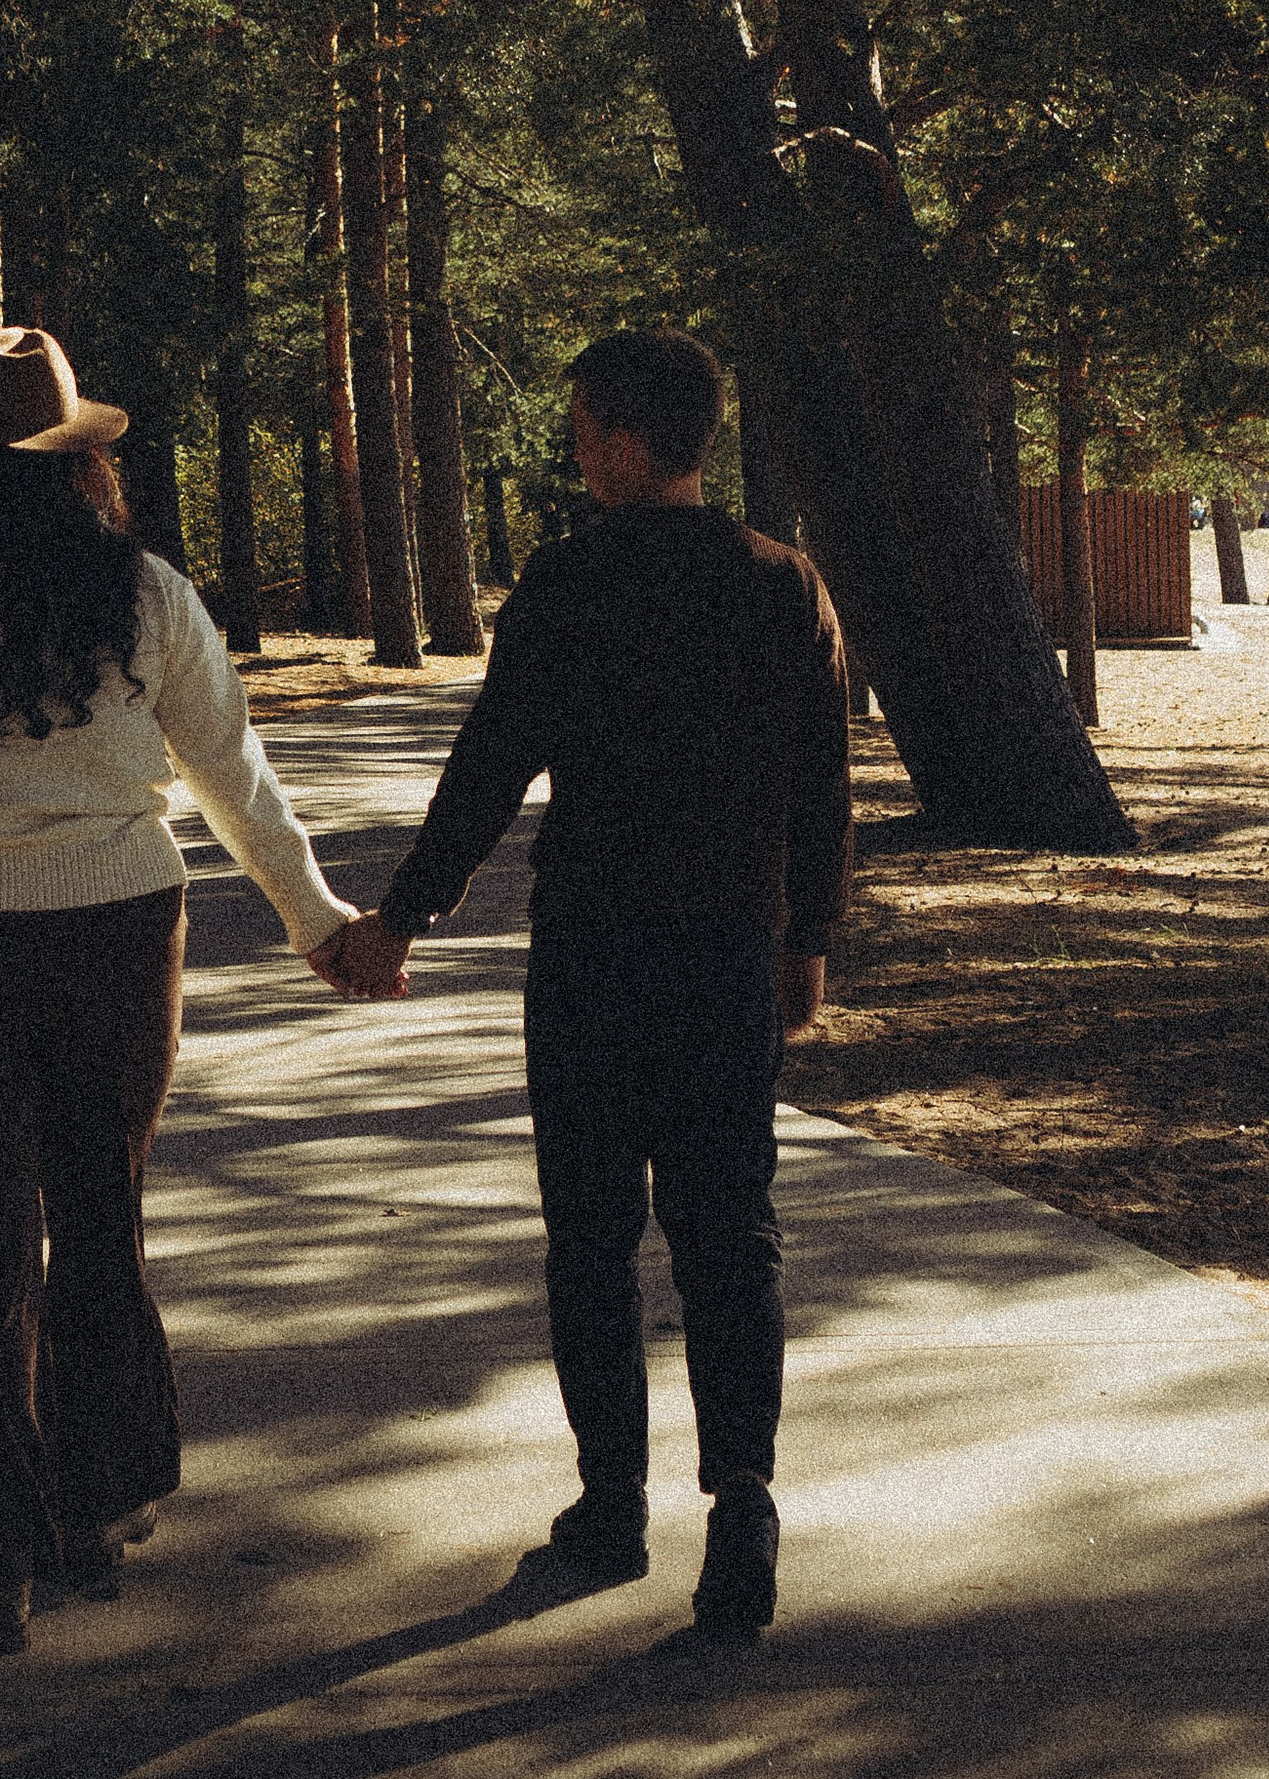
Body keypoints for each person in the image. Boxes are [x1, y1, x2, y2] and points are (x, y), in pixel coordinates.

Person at [0, 324, 366, 1657]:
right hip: (114, 929)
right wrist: (311, 916)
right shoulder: (142, 591)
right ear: (78, 463)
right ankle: (94, 1508)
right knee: (98, 1211)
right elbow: (230, 769)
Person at [324, 327, 853, 1642]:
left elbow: (491, 767)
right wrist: (806, 942)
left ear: (622, 439)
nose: (572, 449)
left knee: (593, 1243)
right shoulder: (785, 584)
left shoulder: (564, 588)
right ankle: (744, 1504)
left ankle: (610, 1501)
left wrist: (403, 917)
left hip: (594, 964)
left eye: (578, 428)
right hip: (725, 955)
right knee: (732, 1240)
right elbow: (821, 784)